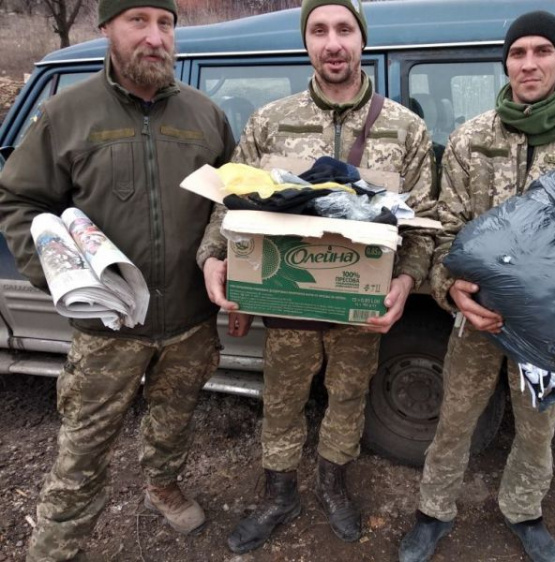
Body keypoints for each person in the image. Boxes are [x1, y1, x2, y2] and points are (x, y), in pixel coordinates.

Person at [197, 0, 436, 554]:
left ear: (361, 39)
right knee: (281, 399)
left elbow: (425, 222)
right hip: (287, 297)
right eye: (319, 30)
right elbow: (229, 207)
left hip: (361, 305)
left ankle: (332, 485)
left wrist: (408, 282)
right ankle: (280, 494)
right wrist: (214, 257)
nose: (333, 42)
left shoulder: (405, 128)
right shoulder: (269, 122)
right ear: (306, 42)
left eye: (344, 29)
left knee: (349, 397)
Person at [0, 0, 236, 559]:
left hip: (188, 320)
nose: (154, 37)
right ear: (107, 27)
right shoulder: (67, 113)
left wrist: (230, 273)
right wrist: (55, 276)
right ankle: (58, 542)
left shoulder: (206, 115)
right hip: (109, 327)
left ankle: (163, 484)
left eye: (165, 24)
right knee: (82, 447)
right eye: (138, 21)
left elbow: (234, 207)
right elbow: (19, 199)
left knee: (173, 419)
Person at [398, 11, 555, 562]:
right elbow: (444, 226)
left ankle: (524, 511)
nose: (529, 63)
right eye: (518, 52)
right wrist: (451, 288)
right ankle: (434, 511)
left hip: (551, 329)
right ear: (505, 61)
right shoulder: (471, 138)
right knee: (454, 419)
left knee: (538, 427)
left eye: (542, 52)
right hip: (479, 318)